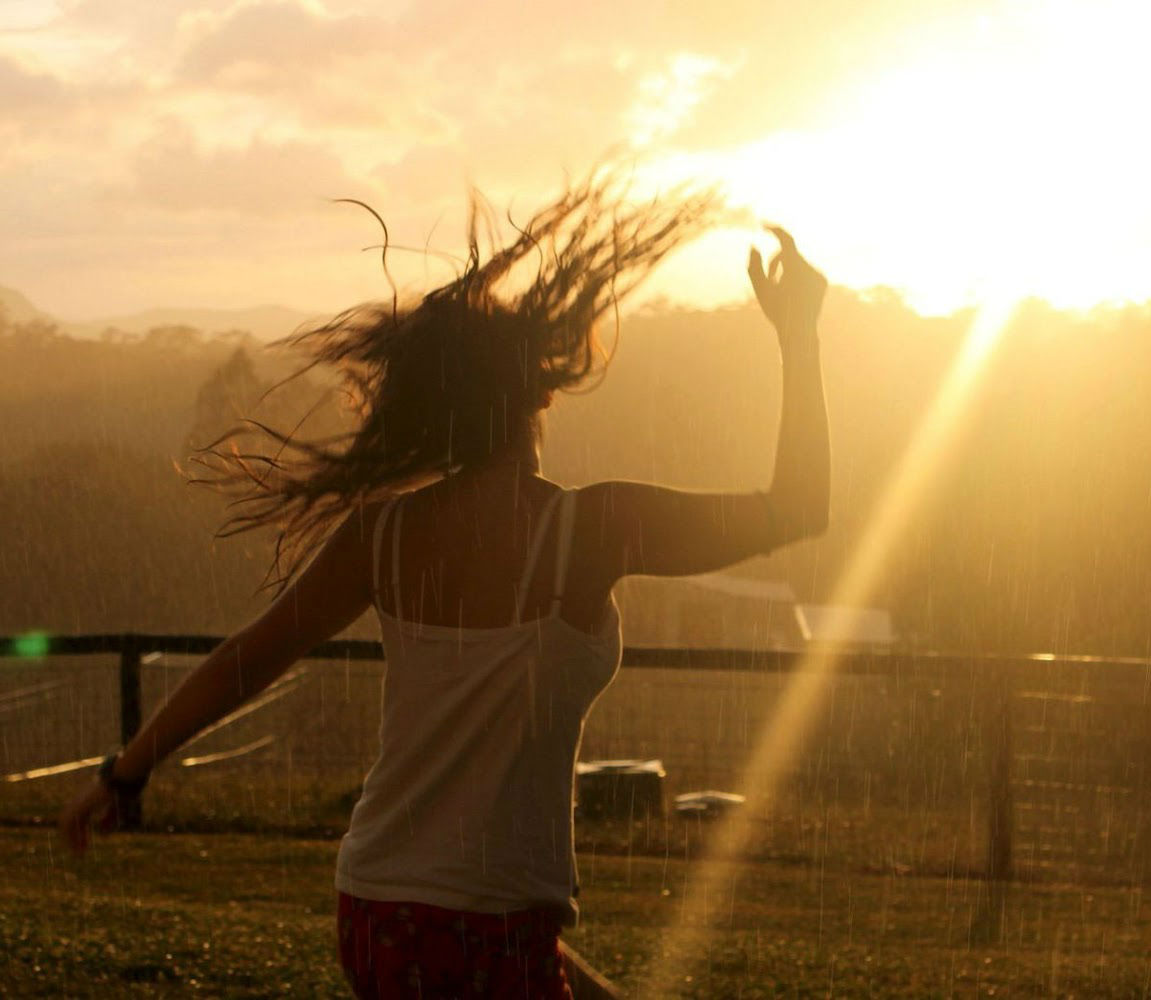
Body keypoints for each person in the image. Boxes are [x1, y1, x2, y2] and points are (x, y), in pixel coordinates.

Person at [59, 177, 831, 998]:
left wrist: (125, 773)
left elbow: (251, 656)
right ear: (536, 391)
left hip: (380, 909)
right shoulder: (588, 529)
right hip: (488, 927)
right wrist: (799, 336)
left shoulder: (382, 534)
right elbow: (799, 509)